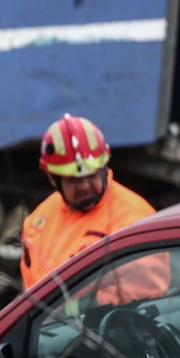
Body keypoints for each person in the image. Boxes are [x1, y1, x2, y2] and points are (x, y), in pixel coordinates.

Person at [22, 114, 166, 301]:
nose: (84, 186)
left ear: (104, 167)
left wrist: (80, 311)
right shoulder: (37, 222)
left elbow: (148, 292)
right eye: (73, 179)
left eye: (91, 175)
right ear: (52, 179)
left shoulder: (134, 218)